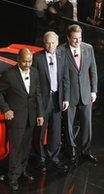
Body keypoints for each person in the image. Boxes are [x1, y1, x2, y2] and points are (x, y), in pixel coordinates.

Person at [0, 48, 44, 191]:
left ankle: (22, 171)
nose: (28, 64)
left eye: (30, 61)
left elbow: (38, 94)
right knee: (15, 148)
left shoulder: (35, 72)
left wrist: (40, 114)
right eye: (25, 61)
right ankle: (13, 177)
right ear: (18, 60)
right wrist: (6, 109)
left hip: (31, 116)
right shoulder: (9, 75)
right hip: (17, 118)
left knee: (26, 146)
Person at [60, 24, 98, 163]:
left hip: (86, 93)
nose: (78, 41)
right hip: (69, 96)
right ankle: (72, 151)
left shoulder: (88, 48)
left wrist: (94, 89)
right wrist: (64, 96)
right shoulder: (61, 51)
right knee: (69, 125)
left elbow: (93, 70)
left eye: (80, 38)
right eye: (75, 38)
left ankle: (86, 151)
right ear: (68, 38)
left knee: (87, 124)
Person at [33, 31, 69, 172]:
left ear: (58, 42)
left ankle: (54, 158)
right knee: (40, 131)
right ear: (44, 43)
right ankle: (40, 159)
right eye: (48, 42)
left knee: (55, 130)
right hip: (43, 100)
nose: (51, 45)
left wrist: (65, 98)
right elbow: (34, 83)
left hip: (57, 99)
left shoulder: (62, 56)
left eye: (53, 42)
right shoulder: (37, 58)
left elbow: (65, 79)